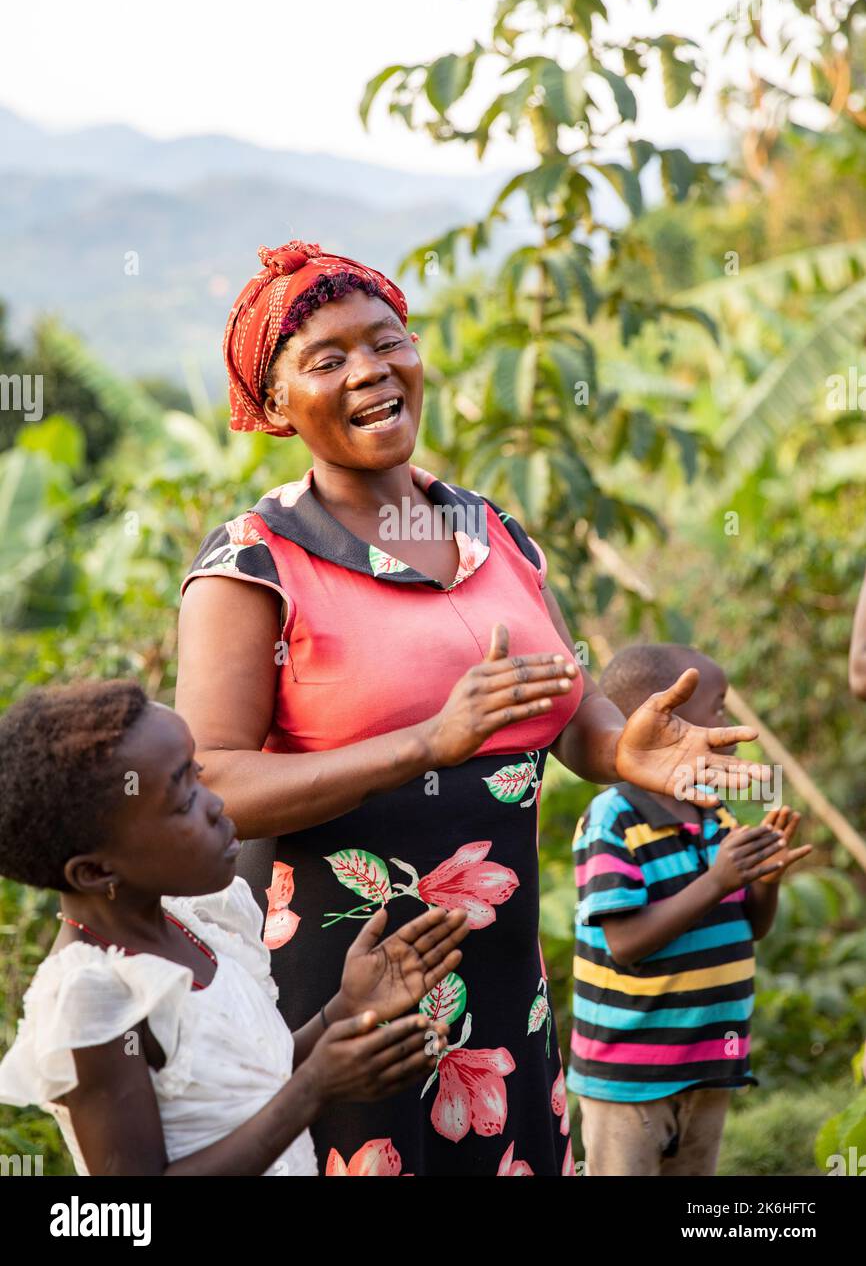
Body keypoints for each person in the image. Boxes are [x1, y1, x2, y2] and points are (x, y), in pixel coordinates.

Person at [175, 239, 769, 1177]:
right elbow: (212, 781)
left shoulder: (494, 531)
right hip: (348, 993)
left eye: (387, 341)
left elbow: (564, 711)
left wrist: (624, 752)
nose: (371, 370)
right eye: (327, 359)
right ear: (275, 405)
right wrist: (425, 744)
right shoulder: (254, 564)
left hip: (503, 993)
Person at [0, 680, 468, 1176]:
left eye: (199, 777)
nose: (217, 804)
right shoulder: (94, 998)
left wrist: (343, 1011)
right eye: (182, 804)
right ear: (95, 872)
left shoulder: (195, 918)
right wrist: (313, 1089)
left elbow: (242, 1085)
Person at [568, 643, 811, 1177]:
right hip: (629, 1081)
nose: (726, 722)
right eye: (719, 706)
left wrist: (763, 883)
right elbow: (626, 944)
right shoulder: (613, 819)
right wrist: (717, 879)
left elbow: (752, 926)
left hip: (707, 1067)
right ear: (670, 722)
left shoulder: (714, 813)